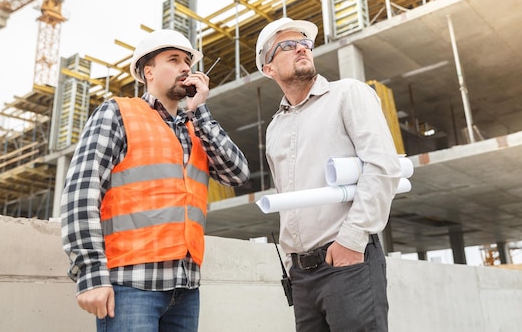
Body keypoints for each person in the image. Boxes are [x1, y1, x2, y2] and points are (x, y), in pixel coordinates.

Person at [61, 29, 250, 332]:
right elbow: (81, 193)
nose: (186, 68)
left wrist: (199, 111)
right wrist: (90, 272)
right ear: (148, 72)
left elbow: (237, 173)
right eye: (173, 60)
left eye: (188, 62)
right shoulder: (118, 112)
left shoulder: (195, 128)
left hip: (186, 287)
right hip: (130, 284)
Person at [255, 17, 402, 332]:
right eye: (286, 45)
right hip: (302, 275)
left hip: (348, 261)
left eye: (304, 43)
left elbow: (382, 167)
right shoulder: (275, 129)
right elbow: (288, 196)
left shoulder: (348, 94)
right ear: (268, 69)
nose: (300, 48)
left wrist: (352, 240)